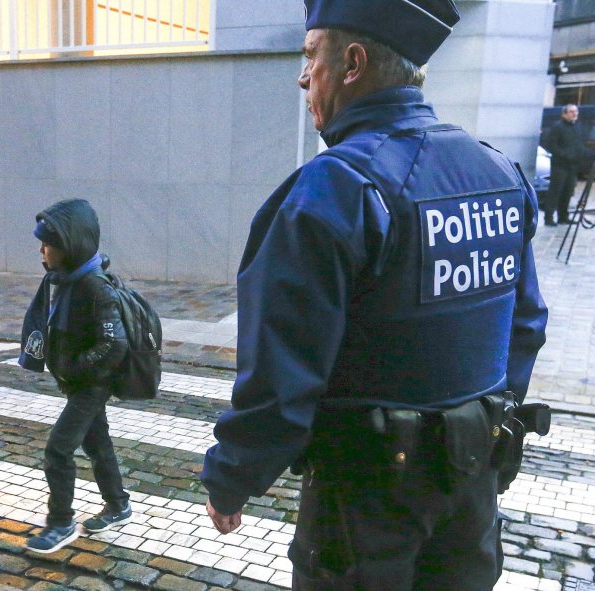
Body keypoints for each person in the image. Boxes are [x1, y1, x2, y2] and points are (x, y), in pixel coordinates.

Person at [200, 2, 548, 590]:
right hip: (471, 483)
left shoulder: (336, 186)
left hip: (363, 499)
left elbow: (284, 366)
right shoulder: (496, 171)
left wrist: (234, 474)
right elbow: (525, 325)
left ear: (353, 63)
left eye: (311, 55)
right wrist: (484, 422)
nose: (302, 75)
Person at [18, 199, 132, 554]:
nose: (41, 250)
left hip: (90, 385)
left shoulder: (94, 287)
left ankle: (61, 523)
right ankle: (118, 504)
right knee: (97, 443)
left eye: (47, 243)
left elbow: (114, 344)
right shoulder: (65, 280)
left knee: (58, 449)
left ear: (68, 246)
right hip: (78, 383)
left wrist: (77, 368)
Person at [543, 104, 589, 226]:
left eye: (576, 112)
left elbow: (579, 145)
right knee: (555, 192)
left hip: (572, 166)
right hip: (560, 165)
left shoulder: (577, 127)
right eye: (571, 112)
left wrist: (584, 154)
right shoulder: (558, 127)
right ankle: (549, 218)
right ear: (564, 114)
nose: (575, 114)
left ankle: (563, 217)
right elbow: (550, 144)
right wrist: (565, 155)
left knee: (567, 192)